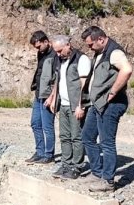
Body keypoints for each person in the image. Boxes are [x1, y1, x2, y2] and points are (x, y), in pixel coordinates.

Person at [80, 26, 132, 192]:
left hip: (111, 104)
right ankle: (97, 172)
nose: (89, 48)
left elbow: (127, 69)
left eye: (91, 44)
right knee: (87, 136)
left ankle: (108, 181)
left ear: (101, 39)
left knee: (106, 143)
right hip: (98, 103)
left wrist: (113, 91)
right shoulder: (100, 52)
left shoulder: (114, 53)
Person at [45, 35, 91, 180]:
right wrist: (53, 98)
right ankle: (66, 164)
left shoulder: (81, 59)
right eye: (56, 52)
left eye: (59, 51)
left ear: (68, 45)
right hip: (63, 104)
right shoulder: (60, 60)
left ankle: (76, 166)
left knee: (76, 137)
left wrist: (80, 106)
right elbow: (57, 81)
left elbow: (84, 85)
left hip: (75, 105)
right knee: (64, 136)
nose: (58, 54)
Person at [25, 30, 56, 164]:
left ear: (46, 42)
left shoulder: (55, 55)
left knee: (47, 126)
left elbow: (57, 78)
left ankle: (49, 154)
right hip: (39, 93)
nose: (38, 49)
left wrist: (52, 97)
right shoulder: (41, 53)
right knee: (35, 123)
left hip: (48, 95)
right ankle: (40, 152)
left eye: (39, 46)